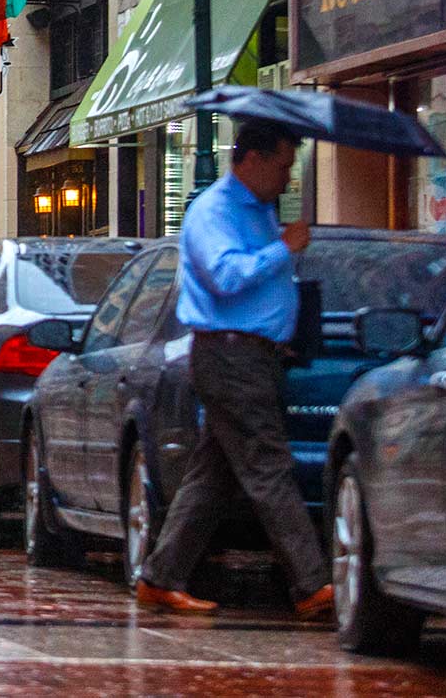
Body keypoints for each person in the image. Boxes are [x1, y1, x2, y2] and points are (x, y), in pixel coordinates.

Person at [135, 119, 335, 619]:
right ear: (252, 159)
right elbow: (225, 276)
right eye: (283, 165)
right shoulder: (213, 212)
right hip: (229, 356)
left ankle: (160, 577)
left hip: (255, 356)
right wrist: (282, 249)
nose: (288, 179)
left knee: (212, 475)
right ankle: (311, 585)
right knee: (269, 467)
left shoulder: (260, 212)